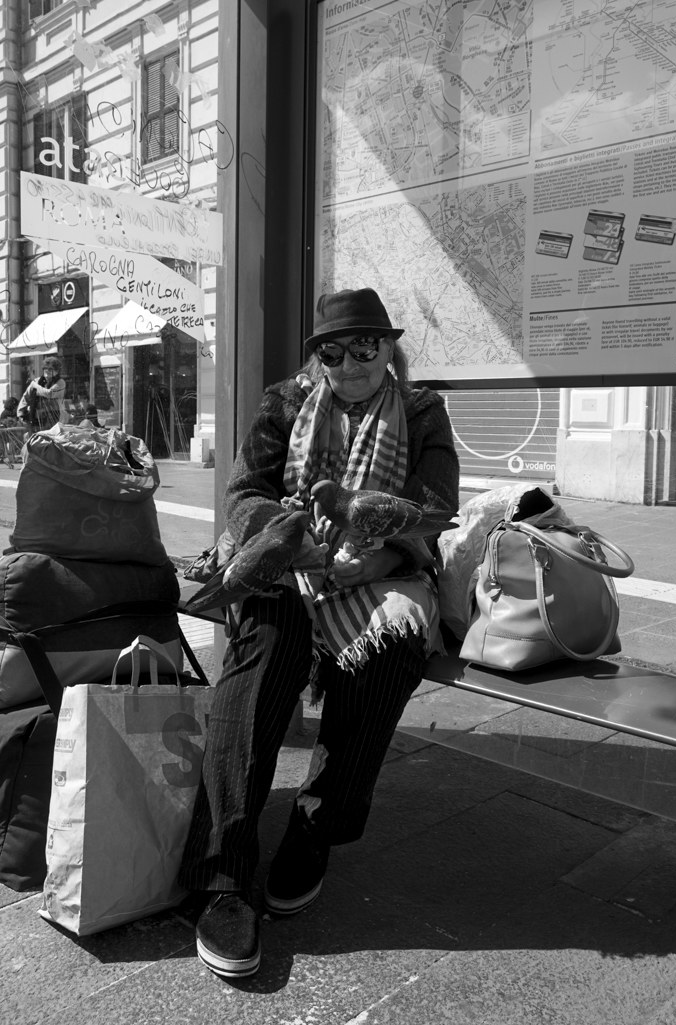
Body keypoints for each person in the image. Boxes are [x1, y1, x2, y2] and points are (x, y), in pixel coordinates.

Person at [179, 287, 460, 979]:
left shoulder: (422, 410)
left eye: (365, 347)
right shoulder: (283, 402)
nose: (350, 363)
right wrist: (289, 540)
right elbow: (245, 491)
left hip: (382, 569)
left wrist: (378, 559)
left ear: (388, 348)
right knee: (261, 659)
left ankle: (314, 830)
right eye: (332, 353)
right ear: (317, 359)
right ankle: (223, 873)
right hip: (292, 561)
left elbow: (434, 507)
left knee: (390, 650)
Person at [17, 356, 67, 431]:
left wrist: (35, 386)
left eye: (50, 369)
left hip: (55, 420)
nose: (47, 371)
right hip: (36, 420)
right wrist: (21, 414)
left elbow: (50, 393)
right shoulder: (37, 381)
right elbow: (26, 397)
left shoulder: (60, 382)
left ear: (56, 371)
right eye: (45, 368)